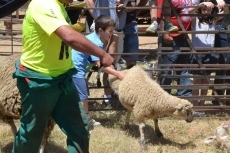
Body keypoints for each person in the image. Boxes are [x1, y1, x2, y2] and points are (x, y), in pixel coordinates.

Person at [12, 0, 114, 153]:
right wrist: (102, 54)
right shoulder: (44, 4)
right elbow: (69, 36)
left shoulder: (59, 5)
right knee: (31, 134)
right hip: (39, 79)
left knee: (79, 128)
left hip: (64, 78)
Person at [72, 15, 125, 129]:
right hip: (76, 71)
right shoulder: (95, 43)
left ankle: (82, 119)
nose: (111, 34)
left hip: (76, 69)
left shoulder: (93, 38)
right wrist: (118, 74)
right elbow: (100, 66)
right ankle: (85, 122)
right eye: (109, 31)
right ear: (100, 30)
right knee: (83, 96)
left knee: (82, 94)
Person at [189, 0, 228, 106]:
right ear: (200, 10)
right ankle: (195, 104)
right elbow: (189, 11)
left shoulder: (213, 21)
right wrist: (202, 4)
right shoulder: (195, 20)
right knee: (197, 80)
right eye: (204, 9)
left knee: (206, 81)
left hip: (209, 53)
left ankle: (202, 104)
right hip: (198, 52)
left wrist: (223, 5)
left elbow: (225, 12)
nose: (206, 11)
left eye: (209, 10)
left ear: (212, 11)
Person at [157, 0, 192, 97]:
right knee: (166, 68)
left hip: (183, 36)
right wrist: (165, 33)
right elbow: (162, 15)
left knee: (184, 68)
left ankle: (185, 98)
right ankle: (164, 98)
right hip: (172, 37)